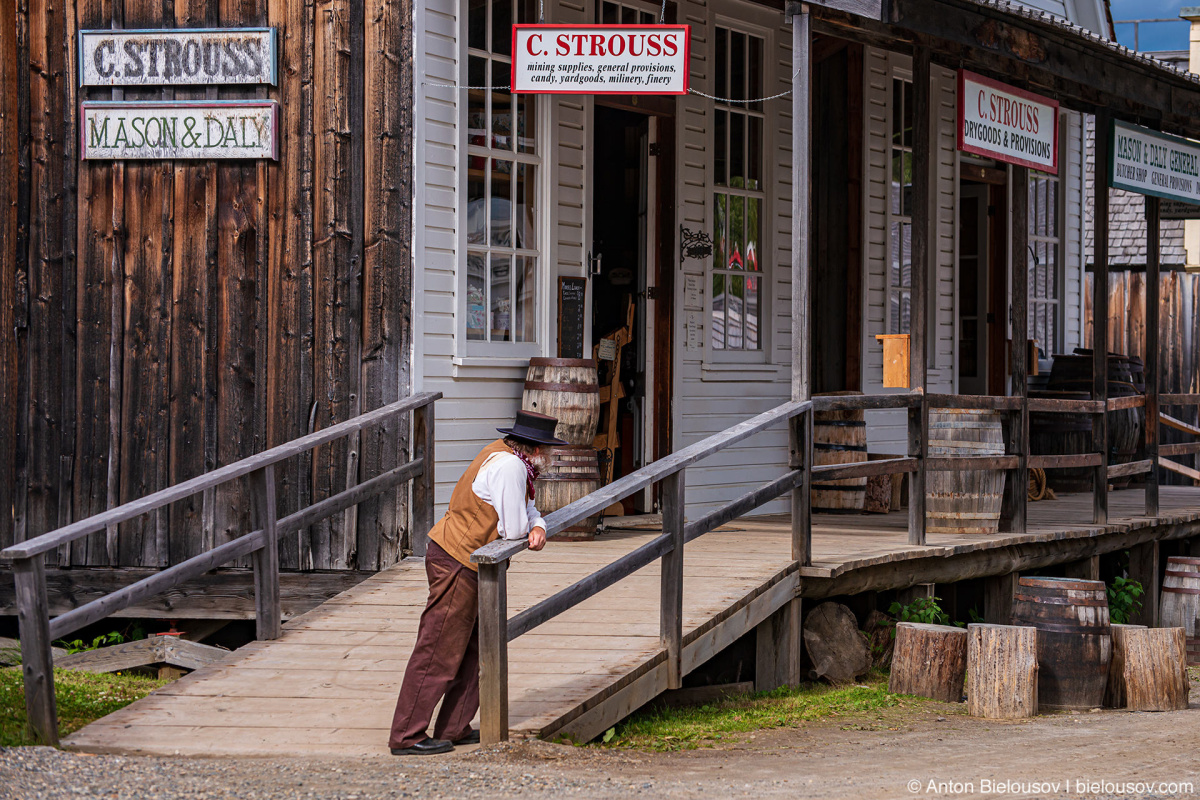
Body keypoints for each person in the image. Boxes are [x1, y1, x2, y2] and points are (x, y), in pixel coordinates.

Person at [388, 409, 566, 755]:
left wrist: (539, 524)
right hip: (457, 560)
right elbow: (513, 529)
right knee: (438, 649)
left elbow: (527, 511)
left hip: (472, 563)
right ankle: (406, 735)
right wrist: (530, 527)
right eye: (548, 450)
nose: (550, 458)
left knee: (477, 647)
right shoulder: (510, 467)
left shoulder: (514, 462)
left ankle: (453, 727)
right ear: (534, 450)